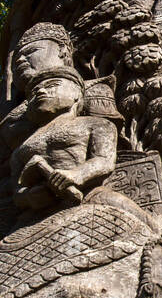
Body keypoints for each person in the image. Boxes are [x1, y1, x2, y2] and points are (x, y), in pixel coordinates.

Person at [10, 68, 117, 209]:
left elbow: (104, 161)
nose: (41, 92)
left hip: (89, 195)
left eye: (52, 85)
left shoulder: (97, 124)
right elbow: (15, 189)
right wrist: (28, 197)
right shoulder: (21, 148)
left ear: (76, 94)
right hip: (39, 211)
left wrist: (76, 174)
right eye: (34, 92)